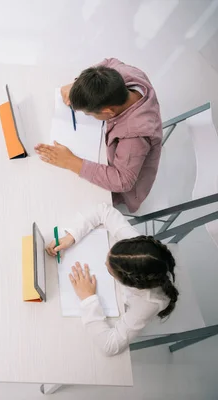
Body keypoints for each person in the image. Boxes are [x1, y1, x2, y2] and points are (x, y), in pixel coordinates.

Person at [46, 203, 178, 356]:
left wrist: (88, 299)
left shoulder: (149, 303)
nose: (104, 263)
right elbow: (104, 210)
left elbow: (109, 346)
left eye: (109, 270)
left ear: (128, 283)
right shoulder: (133, 244)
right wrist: (72, 236)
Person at [35, 58, 163, 213]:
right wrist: (78, 85)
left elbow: (123, 181)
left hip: (122, 184)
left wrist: (70, 161)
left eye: (88, 113)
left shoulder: (134, 137)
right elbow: (108, 62)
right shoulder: (125, 74)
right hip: (113, 148)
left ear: (108, 112)